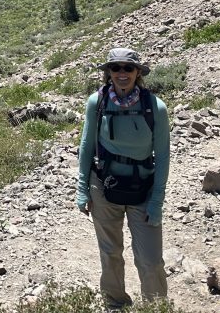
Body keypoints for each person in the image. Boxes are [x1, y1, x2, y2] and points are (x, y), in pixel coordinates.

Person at [76, 47, 170, 309]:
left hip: (144, 188)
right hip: (104, 186)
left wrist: (157, 203)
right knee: (110, 253)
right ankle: (115, 303)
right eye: (115, 68)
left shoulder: (155, 108)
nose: (121, 73)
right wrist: (82, 188)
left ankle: (156, 306)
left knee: (150, 260)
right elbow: (86, 146)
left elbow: (162, 157)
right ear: (108, 72)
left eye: (128, 68)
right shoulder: (97, 102)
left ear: (138, 72)